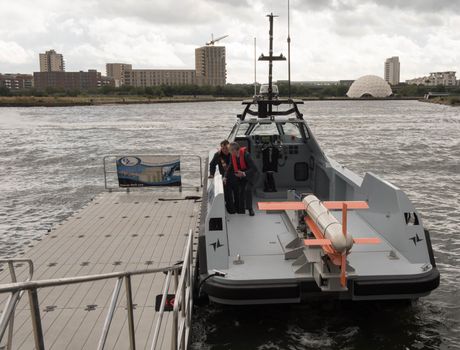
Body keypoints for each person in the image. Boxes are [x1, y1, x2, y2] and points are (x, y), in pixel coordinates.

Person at [224, 142, 259, 216]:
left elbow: (254, 169)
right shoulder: (232, 156)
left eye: (230, 150)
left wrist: (243, 173)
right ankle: (241, 211)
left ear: (234, 150)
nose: (229, 152)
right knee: (240, 192)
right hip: (241, 177)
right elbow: (230, 166)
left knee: (247, 189)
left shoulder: (246, 155)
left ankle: (250, 209)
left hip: (250, 175)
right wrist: (225, 177)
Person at [209, 140, 236, 213]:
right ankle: (231, 209)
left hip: (235, 176)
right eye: (223, 148)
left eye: (227, 148)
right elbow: (212, 165)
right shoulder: (217, 155)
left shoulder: (233, 153)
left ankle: (238, 208)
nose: (225, 150)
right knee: (228, 194)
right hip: (225, 178)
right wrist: (212, 174)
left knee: (237, 193)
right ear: (221, 148)